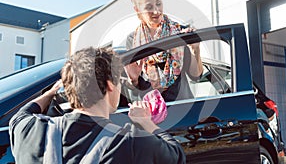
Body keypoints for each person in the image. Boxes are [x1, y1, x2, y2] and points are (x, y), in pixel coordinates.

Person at [9, 46, 186, 164]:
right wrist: (145, 121)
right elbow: (176, 156)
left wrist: (50, 93)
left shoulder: (28, 129)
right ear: (110, 85)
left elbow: (21, 114)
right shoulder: (131, 143)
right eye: (119, 82)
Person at [125, 0, 204, 102]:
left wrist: (195, 49)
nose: (156, 11)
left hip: (184, 109)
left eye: (158, 3)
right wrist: (134, 80)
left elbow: (196, 76)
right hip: (153, 114)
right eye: (149, 7)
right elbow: (137, 87)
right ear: (137, 10)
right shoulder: (133, 40)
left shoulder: (179, 32)